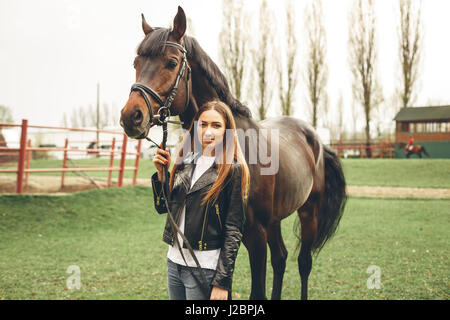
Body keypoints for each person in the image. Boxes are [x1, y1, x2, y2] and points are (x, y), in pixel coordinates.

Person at [151, 100, 250, 300]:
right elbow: (165, 208)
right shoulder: (186, 161)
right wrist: (162, 175)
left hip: (204, 268)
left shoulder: (232, 169)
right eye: (203, 124)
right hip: (174, 263)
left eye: (216, 125)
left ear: (227, 130)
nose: (208, 132)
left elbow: (234, 230)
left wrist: (222, 282)